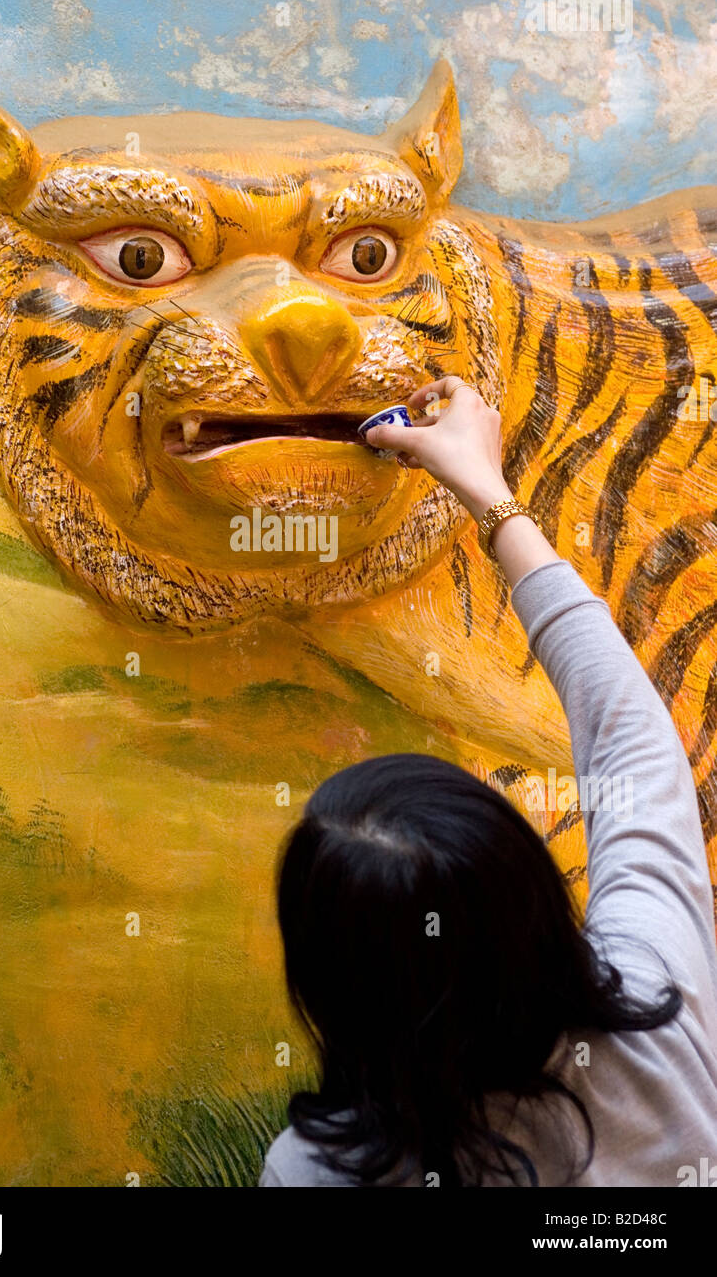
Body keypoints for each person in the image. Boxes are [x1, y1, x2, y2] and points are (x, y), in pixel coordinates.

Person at [259, 376, 717, 1188]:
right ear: (534, 896)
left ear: (329, 982)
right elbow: (635, 748)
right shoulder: (660, 1008)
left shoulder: (319, 1173)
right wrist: (490, 495)